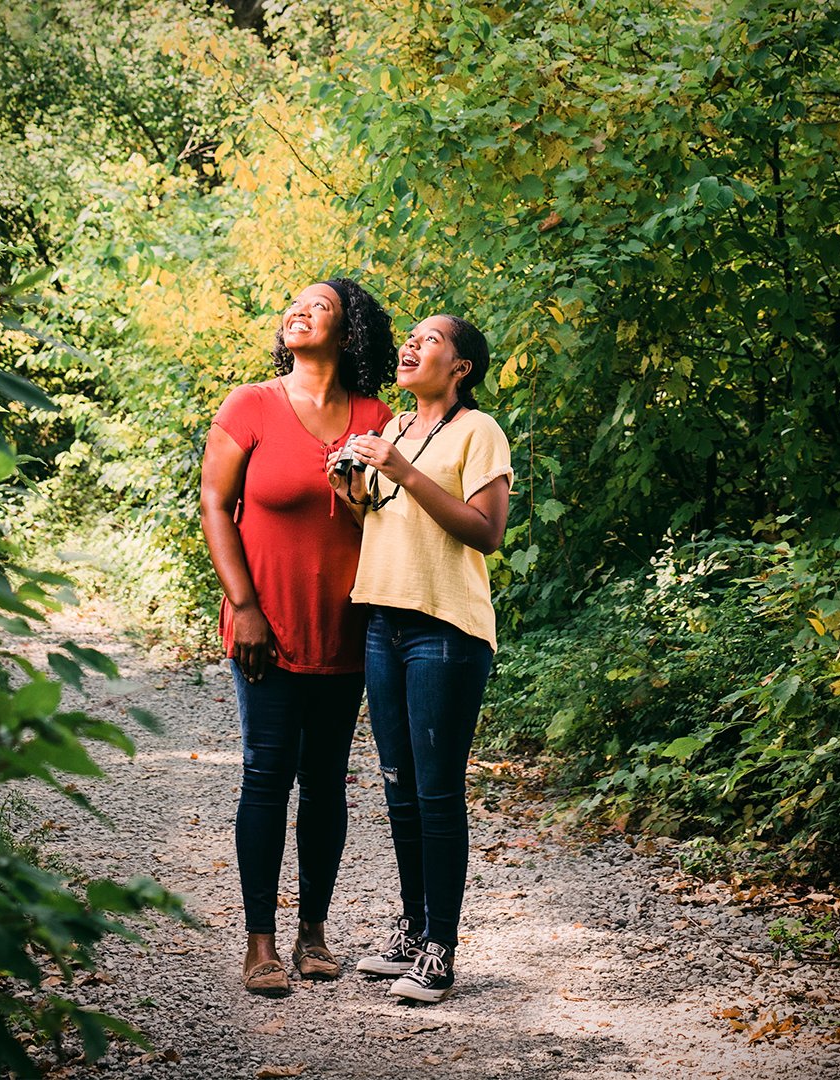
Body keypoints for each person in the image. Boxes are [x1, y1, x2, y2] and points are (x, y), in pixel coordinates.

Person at [200, 278, 396, 996]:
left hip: (345, 626)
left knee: (325, 785)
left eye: (319, 307)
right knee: (266, 775)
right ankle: (261, 944)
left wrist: (356, 499)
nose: (299, 310)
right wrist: (242, 605)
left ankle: (314, 933)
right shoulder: (251, 404)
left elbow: (384, 520)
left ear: (348, 337)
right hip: (266, 628)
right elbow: (217, 507)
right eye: (296, 302)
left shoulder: (376, 417)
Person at [328, 313, 512, 1003]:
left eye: (430, 339)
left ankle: (441, 949)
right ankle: (410, 928)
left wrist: (402, 470)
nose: (410, 344)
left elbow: (486, 532)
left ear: (461, 366)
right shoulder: (393, 430)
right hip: (383, 621)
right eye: (410, 336)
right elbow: (377, 523)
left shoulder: (478, 430)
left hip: (446, 631)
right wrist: (350, 489)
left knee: (437, 794)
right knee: (399, 787)